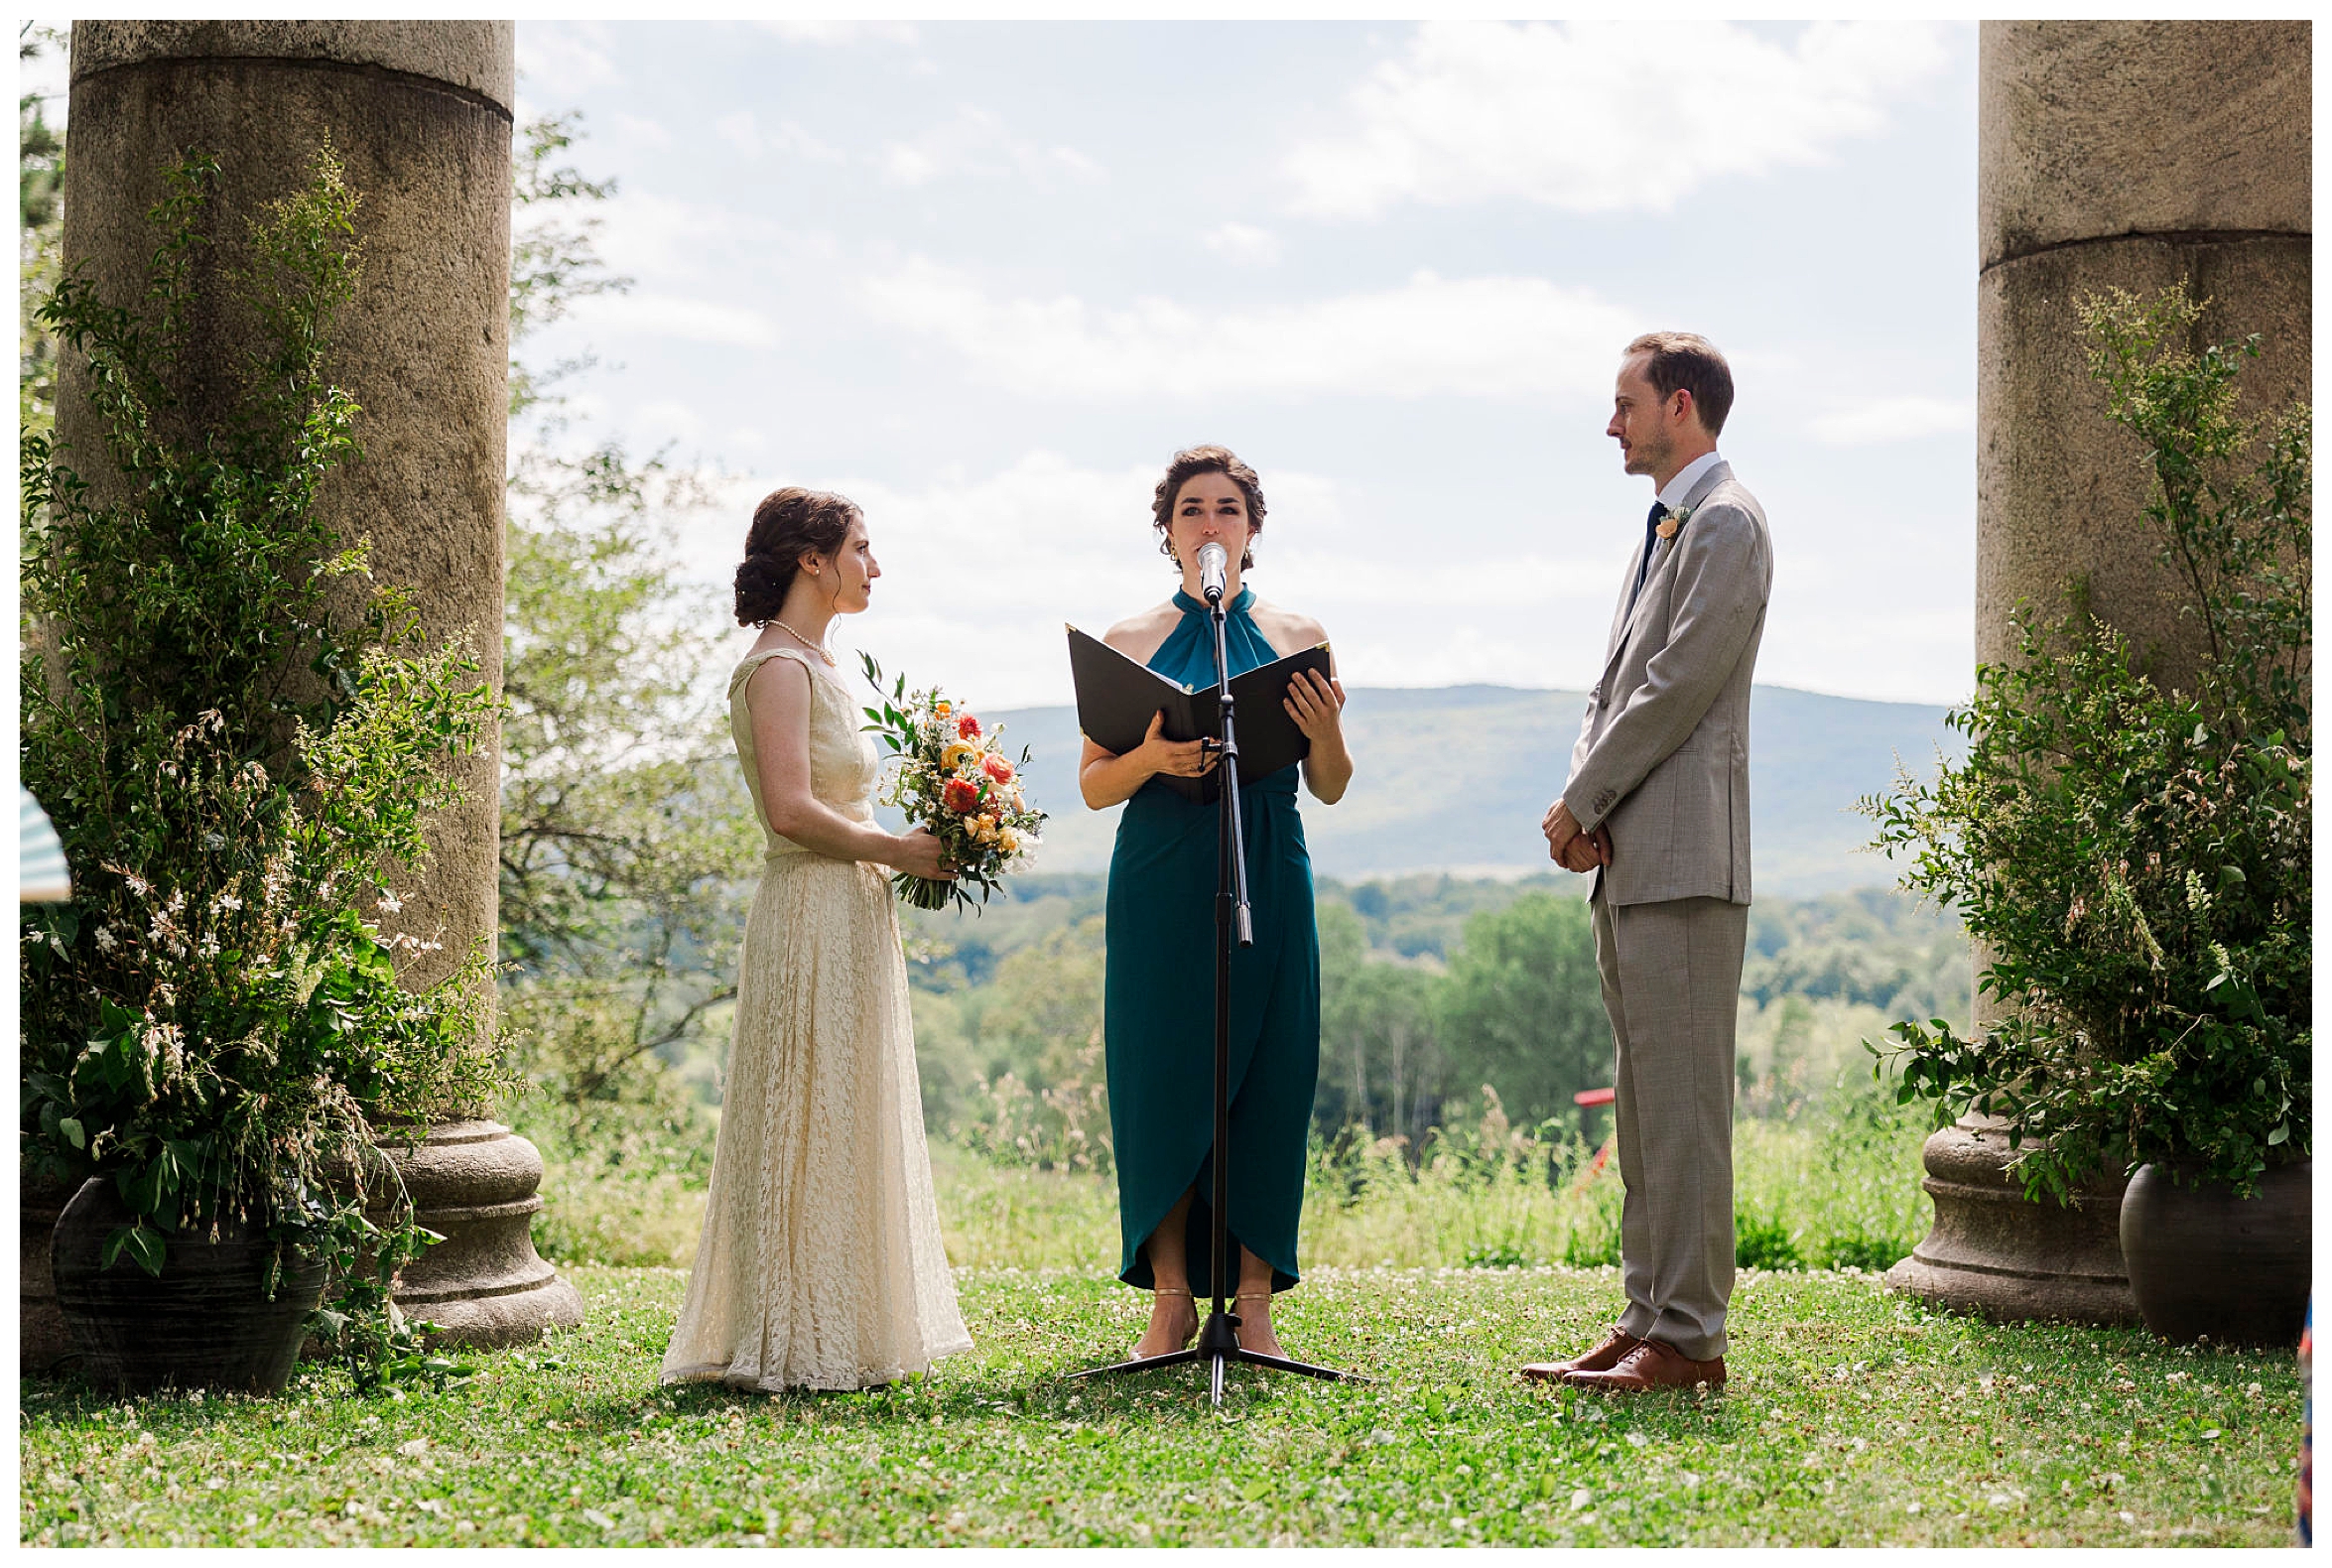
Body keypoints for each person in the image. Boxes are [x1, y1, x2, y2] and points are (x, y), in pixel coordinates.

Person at [662, 486, 972, 1392]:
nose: (875, 567)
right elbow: (792, 811)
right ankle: (791, 1329)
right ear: (813, 559)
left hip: (853, 906)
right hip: (808, 908)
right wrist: (898, 849)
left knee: (846, 1105)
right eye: (863, 548)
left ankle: (850, 1318)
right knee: (804, 1109)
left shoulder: (822, 662)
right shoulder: (779, 670)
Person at [1522, 332, 1772, 1393]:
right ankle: (1644, 1319)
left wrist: (1582, 801)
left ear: (1680, 405)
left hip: (1681, 859)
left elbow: (1672, 688)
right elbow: (1610, 690)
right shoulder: (1662, 528)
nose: (1610, 421)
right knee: (1640, 1102)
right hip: (1628, 856)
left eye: (1624, 402)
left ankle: (1690, 1338)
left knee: (1683, 1109)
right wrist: (1584, 807)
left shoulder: (1727, 522)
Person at [1079, 445, 1352, 1364]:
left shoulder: (1300, 632)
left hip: (1268, 867)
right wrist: (1153, 759)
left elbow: (1334, 784)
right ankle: (1167, 1302)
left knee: (1270, 1077)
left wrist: (1328, 731)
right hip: (1160, 876)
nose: (1209, 523)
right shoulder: (1128, 642)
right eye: (1191, 509)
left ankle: (1255, 1304)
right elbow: (1092, 786)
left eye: (1227, 508)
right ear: (1167, 532)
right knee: (1162, 1079)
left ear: (1252, 529)